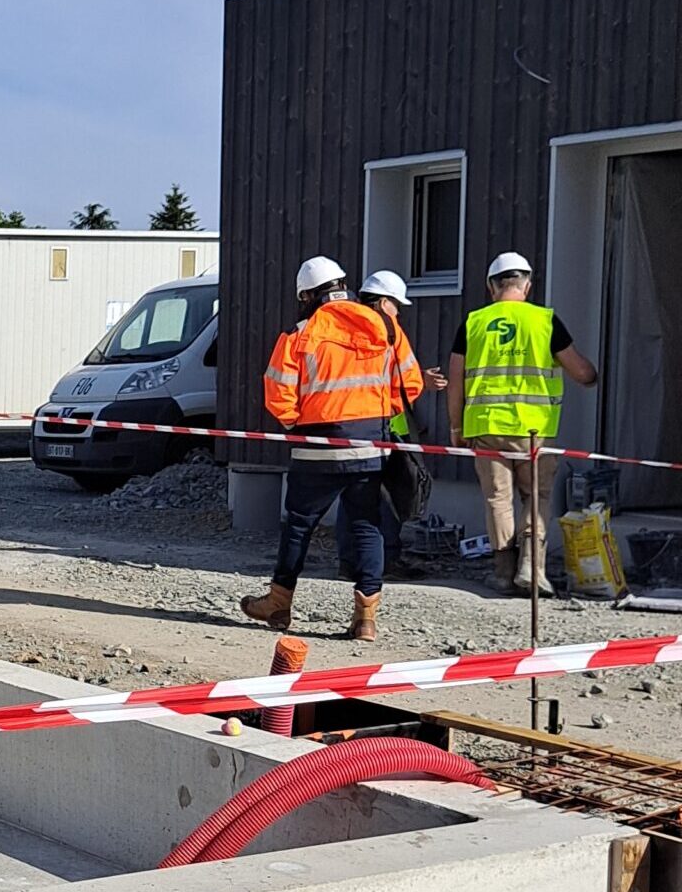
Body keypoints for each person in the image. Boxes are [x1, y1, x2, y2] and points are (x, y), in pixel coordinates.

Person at [240, 255, 423, 641]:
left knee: (299, 525)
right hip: (370, 442)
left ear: (307, 294)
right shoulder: (385, 325)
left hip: (317, 443)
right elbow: (410, 383)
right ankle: (366, 619)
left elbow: (278, 392)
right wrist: (378, 416)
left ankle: (278, 603)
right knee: (366, 524)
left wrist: (297, 422)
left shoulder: (300, 332)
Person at [447, 252, 598, 594]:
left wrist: (456, 427)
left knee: (498, 499)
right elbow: (582, 372)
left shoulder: (473, 323)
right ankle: (532, 567)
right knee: (535, 496)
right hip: (534, 431)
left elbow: (456, 382)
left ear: (491, 287)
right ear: (526, 285)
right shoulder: (544, 321)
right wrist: (592, 377)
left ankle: (502, 572)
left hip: (486, 427)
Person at [333, 271, 446, 579]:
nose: (399, 312)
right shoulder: (389, 329)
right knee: (389, 494)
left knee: (352, 494)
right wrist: (421, 380)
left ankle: (349, 561)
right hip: (385, 425)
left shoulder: (340, 324)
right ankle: (387, 559)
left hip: (345, 425)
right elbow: (404, 381)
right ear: (384, 303)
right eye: (397, 305)